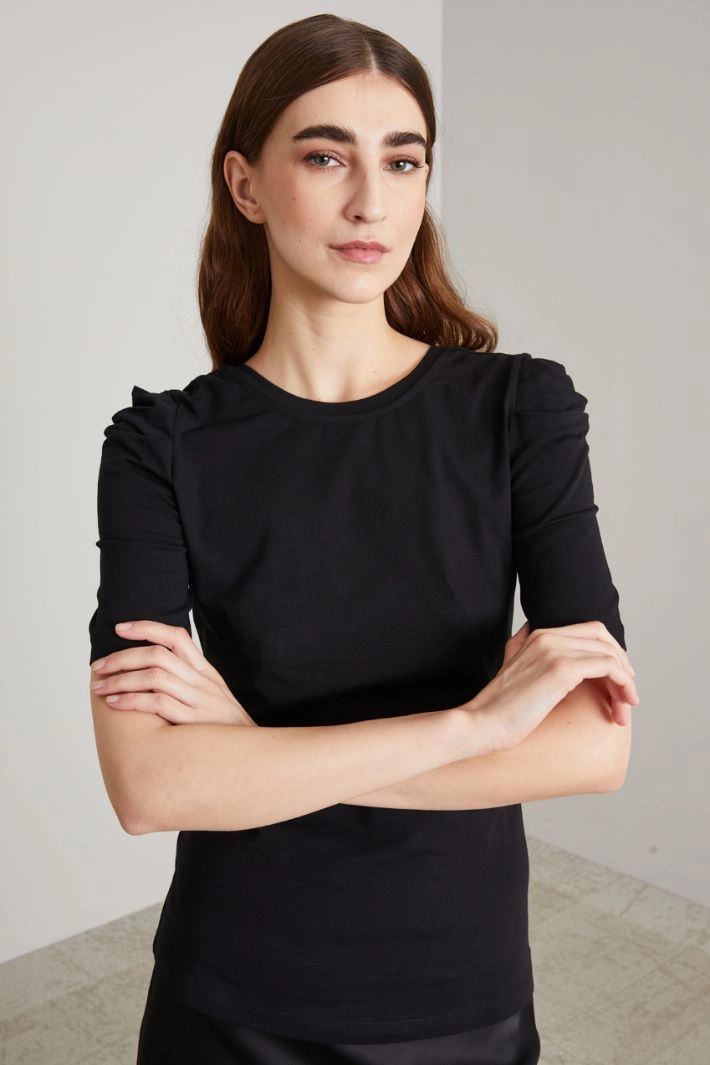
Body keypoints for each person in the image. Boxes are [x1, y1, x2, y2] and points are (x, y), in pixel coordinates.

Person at [87, 13, 638, 1064]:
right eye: (325, 155)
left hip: (455, 986)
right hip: (229, 989)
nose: (371, 201)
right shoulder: (161, 444)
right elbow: (151, 787)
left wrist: (253, 746)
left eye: (403, 159)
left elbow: (593, 746)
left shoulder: (520, 410)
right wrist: (475, 726)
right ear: (246, 185)